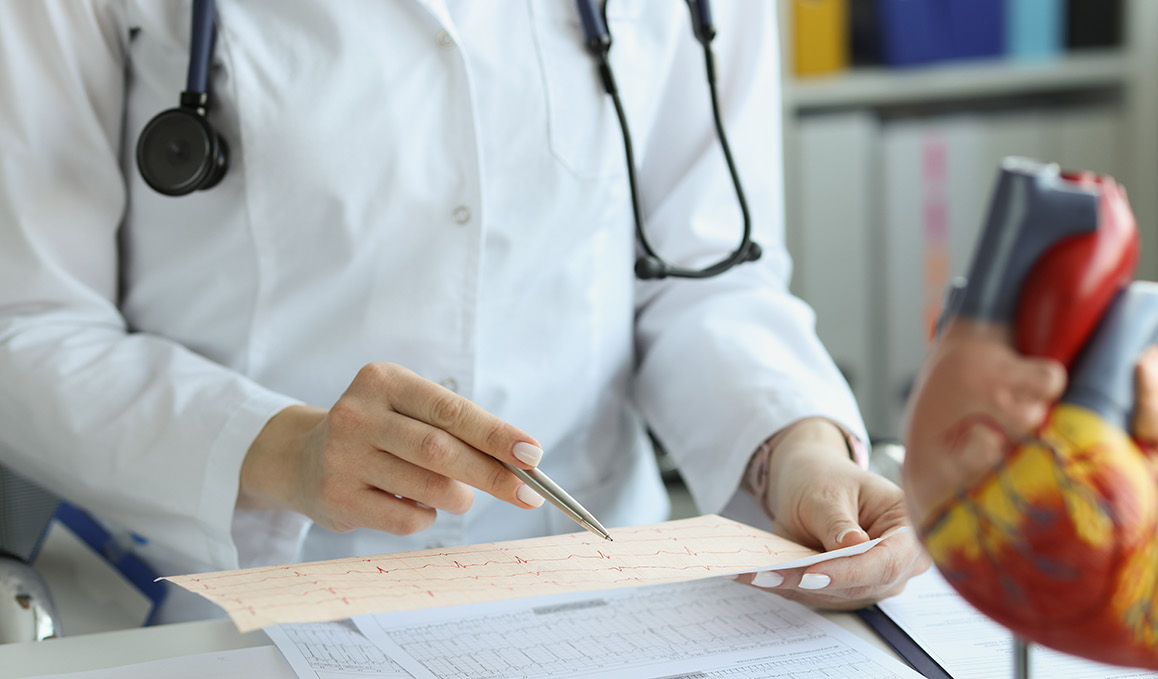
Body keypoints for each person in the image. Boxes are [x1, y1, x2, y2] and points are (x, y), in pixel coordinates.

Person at [0, 1, 929, 623]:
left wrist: (795, 446)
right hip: (217, 601)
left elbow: (700, 268)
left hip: (592, 591)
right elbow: (26, 319)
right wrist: (280, 447)